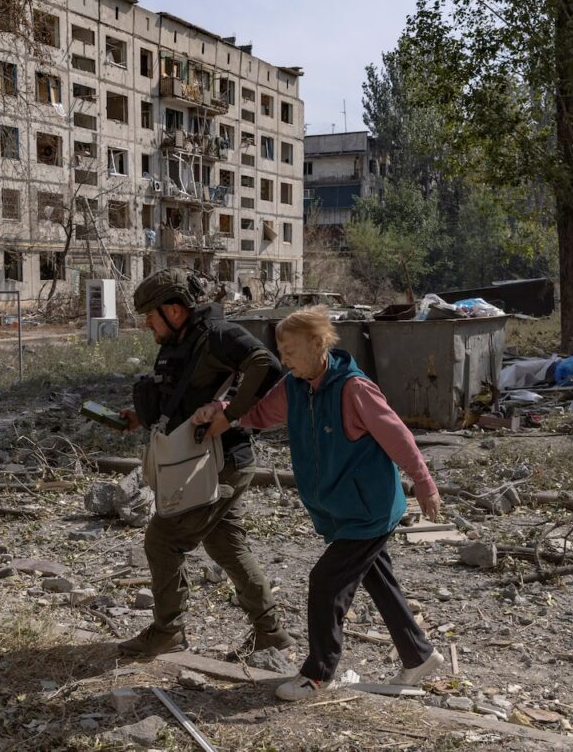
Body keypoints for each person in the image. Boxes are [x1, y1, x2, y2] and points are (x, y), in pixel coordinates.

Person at [192, 305, 446, 700]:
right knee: (378, 579)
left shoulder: (354, 389)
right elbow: (258, 413)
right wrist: (222, 410)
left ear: (317, 344)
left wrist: (425, 483)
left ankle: (317, 673)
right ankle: (419, 655)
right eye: (280, 350)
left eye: (290, 349)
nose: (284, 358)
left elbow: (398, 437)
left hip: (370, 510)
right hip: (344, 509)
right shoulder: (294, 386)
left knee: (326, 583)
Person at [114, 268, 292, 658]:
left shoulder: (218, 335)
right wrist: (139, 416)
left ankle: (167, 632)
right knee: (226, 544)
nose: (147, 324)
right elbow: (179, 398)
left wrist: (230, 414)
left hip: (219, 461)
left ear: (174, 310)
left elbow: (266, 366)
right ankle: (272, 634)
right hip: (201, 460)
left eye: (150, 315)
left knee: (163, 541)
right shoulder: (182, 341)